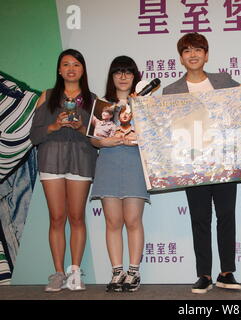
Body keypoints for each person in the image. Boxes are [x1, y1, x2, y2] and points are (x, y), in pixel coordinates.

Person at [163, 32, 241, 294]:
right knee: (200, 219)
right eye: (187, 51)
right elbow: (165, 128)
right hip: (192, 165)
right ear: (181, 58)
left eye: (198, 49)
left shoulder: (224, 81)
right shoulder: (171, 90)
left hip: (224, 162)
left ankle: (226, 272)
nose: (193, 54)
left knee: (226, 216)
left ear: (207, 55)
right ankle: (204, 274)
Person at [30, 49, 97, 292]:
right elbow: (34, 136)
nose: (71, 68)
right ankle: (58, 273)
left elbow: (98, 138)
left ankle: (75, 272)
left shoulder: (92, 100)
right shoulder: (46, 96)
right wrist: (54, 125)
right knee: (57, 218)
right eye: (66, 64)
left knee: (76, 217)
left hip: (81, 161)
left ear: (82, 69)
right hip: (52, 161)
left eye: (76, 64)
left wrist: (81, 128)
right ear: (59, 70)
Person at [90, 56, 149, 292]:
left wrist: (139, 138)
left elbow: (155, 136)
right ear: (112, 77)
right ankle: (117, 271)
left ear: (135, 76)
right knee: (113, 222)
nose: (123, 77)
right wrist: (107, 142)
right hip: (108, 164)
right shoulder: (102, 104)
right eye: (118, 72)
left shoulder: (144, 103)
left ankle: (133, 272)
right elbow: (94, 140)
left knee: (133, 220)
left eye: (128, 72)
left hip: (134, 164)